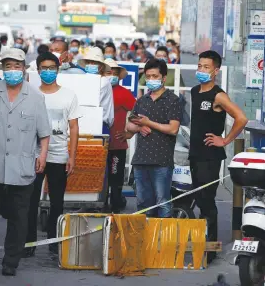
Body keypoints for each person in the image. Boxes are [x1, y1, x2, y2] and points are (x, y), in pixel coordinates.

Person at [0, 48, 51, 276]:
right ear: (3, 69)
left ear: (24, 69)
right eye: (8, 66)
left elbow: (44, 133)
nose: (12, 71)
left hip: (22, 166)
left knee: (19, 217)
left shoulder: (35, 97)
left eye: (17, 66)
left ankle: (10, 261)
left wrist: (42, 155)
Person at [189, 50, 247, 263]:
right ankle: (200, 245)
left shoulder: (219, 95)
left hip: (210, 157)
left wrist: (225, 140)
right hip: (194, 154)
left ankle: (211, 250)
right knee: (199, 201)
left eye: (206, 67)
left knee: (207, 202)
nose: (202, 70)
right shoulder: (195, 91)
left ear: (216, 70)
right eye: (199, 66)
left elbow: (241, 118)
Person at [24, 52, 81, 258]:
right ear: (38, 70)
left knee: (57, 202)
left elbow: (73, 128)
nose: (48, 72)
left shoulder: (68, 95)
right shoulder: (30, 94)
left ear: (58, 69)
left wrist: (72, 156)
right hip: (33, 156)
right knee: (30, 201)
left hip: (58, 156)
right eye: (44, 68)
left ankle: (53, 242)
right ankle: (28, 243)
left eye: (52, 68)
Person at [125, 59, 183, 218]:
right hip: (141, 160)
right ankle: (146, 240)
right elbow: (129, 126)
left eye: (155, 76)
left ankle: (164, 241)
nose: (151, 80)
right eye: (148, 76)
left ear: (164, 78)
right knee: (143, 204)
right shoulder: (142, 100)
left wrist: (148, 122)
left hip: (161, 161)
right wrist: (139, 127)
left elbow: (173, 129)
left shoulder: (173, 100)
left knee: (162, 202)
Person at [103, 58, 136, 213]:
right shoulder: (95, 89)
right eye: (109, 72)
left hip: (117, 144)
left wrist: (129, 132)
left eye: (114, 73)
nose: (112, 75)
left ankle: (115, 206)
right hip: (96, 144)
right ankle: (102, 205)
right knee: (99, 178)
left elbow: (138, 114)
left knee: (116, 179)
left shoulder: (124, 93)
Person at [78, 47, 114, 133]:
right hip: (84, 123)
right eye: (89, 62)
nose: (91, 64)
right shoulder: (83, 79)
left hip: (100, 124)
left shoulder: (104, 81)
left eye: (94, 63)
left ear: (101, 66)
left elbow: (91, 102)